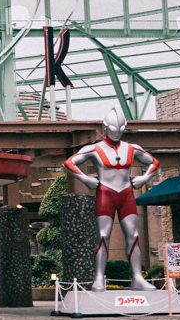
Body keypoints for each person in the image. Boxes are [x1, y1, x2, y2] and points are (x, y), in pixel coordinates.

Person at [62, 106, 160, 291]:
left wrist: (146, 177)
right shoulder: (94, 148)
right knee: (103, 236)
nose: (116, 134)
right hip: (105, 193)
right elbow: (68, 163)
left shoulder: (131, 148)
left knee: (134, 235)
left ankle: (137, 277)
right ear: (105, 127)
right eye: (113, 130)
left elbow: (154, 162)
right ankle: (99, 277)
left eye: (120, 130)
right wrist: (84, 178)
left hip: (126, 193)